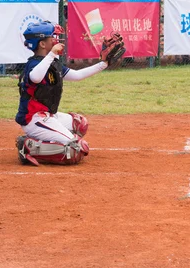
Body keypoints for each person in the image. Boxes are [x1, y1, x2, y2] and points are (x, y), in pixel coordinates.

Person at [15, 21, 125, 165]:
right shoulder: (35, 64)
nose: (56, 40)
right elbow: (35, 77)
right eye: (52, 38)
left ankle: (49, 140)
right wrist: (52, 54)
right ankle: (29, 148)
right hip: (34, 119)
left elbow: (77, 75)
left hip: (48, 115)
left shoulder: (52, 63)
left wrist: (103, 64)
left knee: (80, 124)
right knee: (76, 149)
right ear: (42, 44)